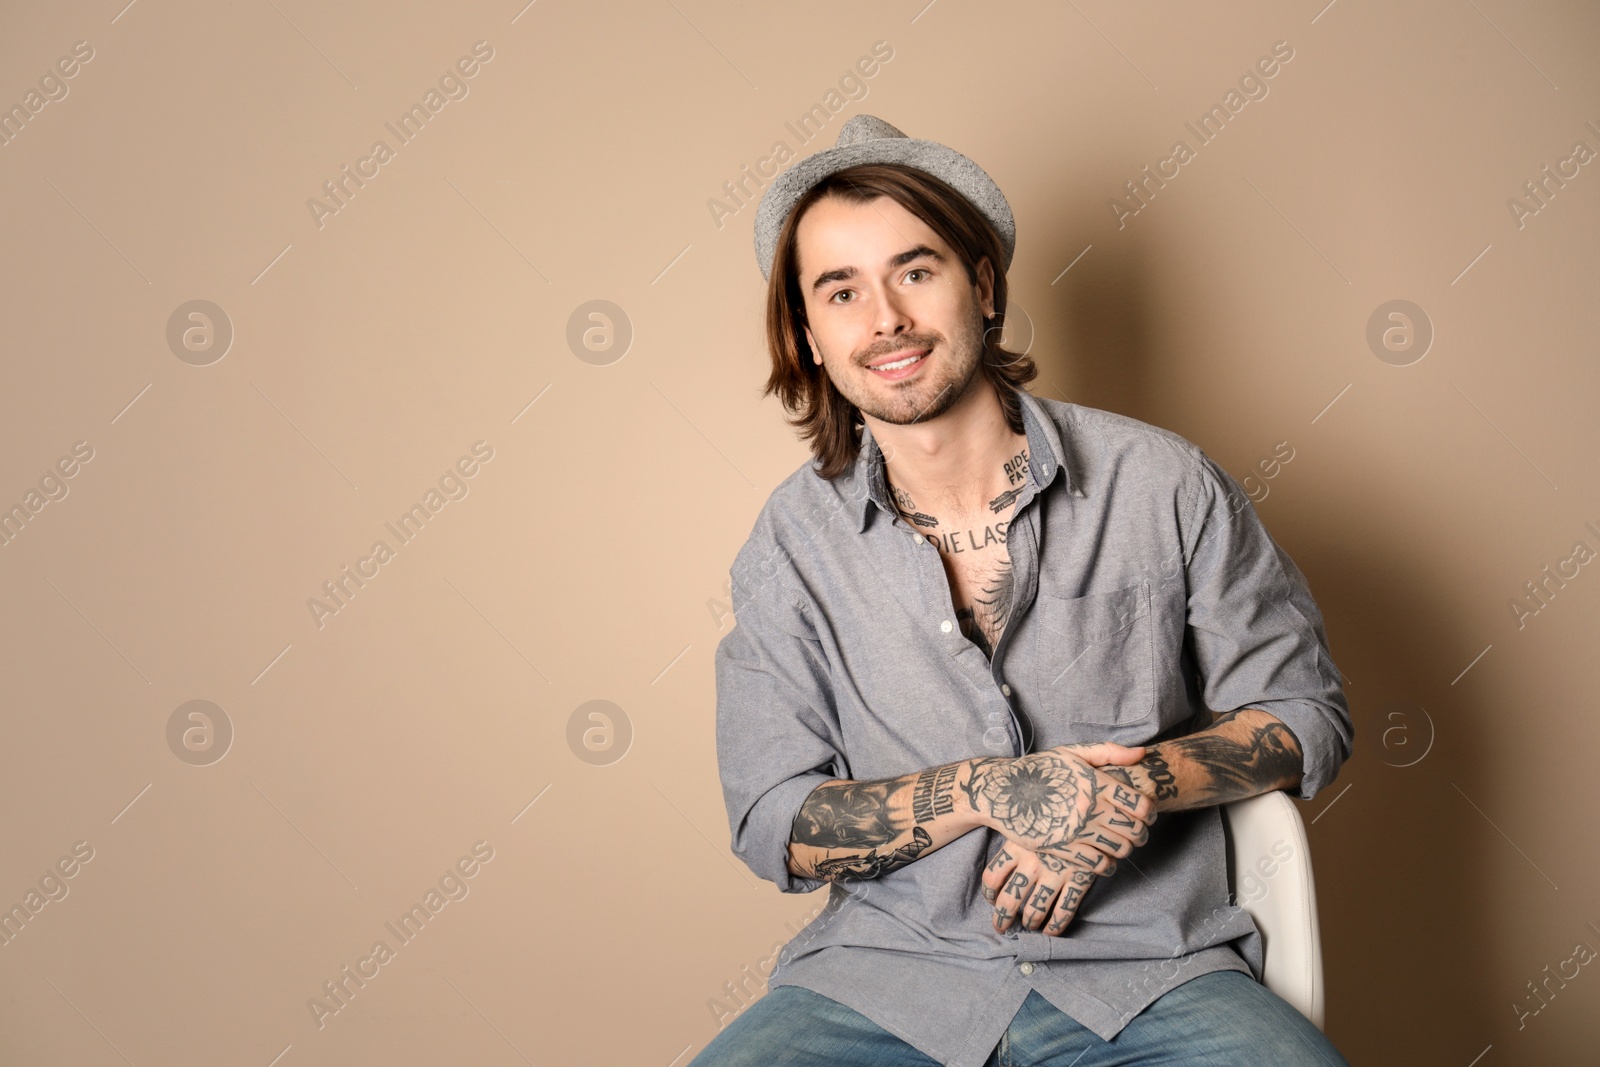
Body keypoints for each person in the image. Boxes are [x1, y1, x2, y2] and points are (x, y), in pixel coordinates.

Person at [695, 114, 1354, 1067]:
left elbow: (1306, 715)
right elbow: (773, 823)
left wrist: (1123, 786)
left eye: (915, 271)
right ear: (810, 333)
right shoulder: (790, 544)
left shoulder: (1163, 482)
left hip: (1148, 972)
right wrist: (992, 790)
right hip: (884, 980)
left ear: (984, 285)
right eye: (841, 290)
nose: (885, 319)